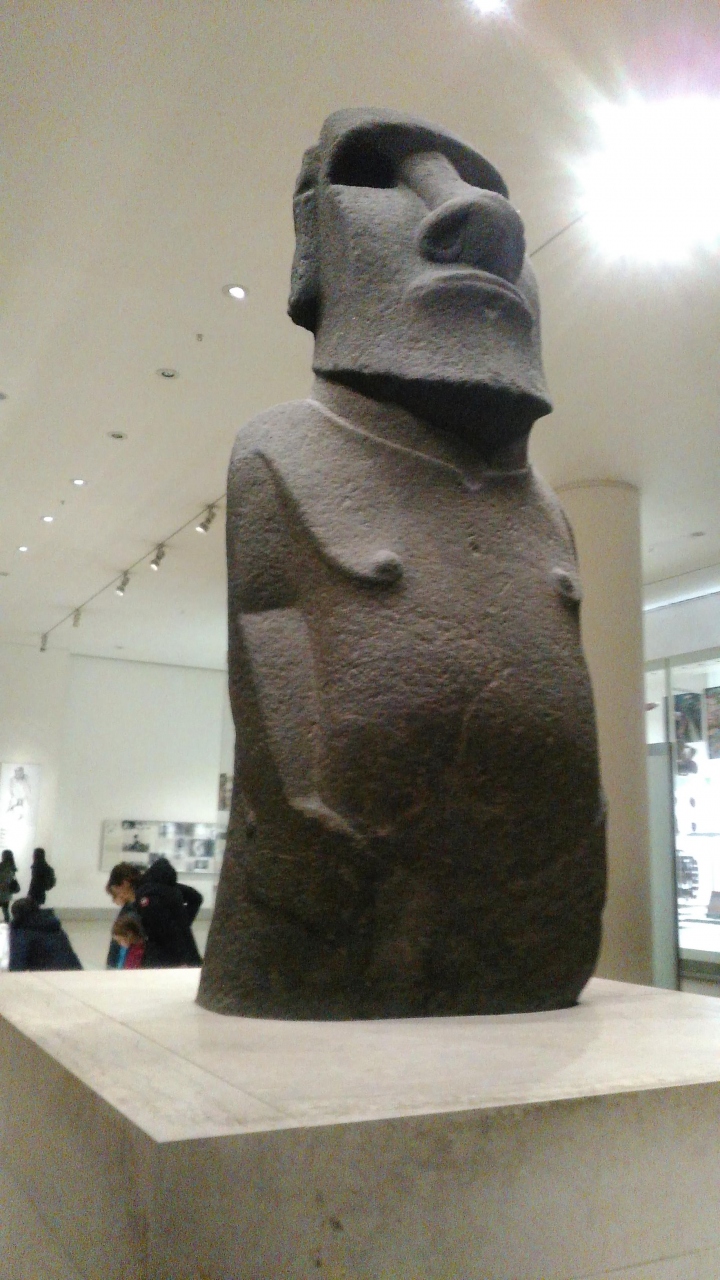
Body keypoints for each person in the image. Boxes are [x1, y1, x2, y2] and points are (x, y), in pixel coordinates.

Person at [9, 898, 82, 970]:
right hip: (74, 971)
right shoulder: (54, 926)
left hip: (46, 973)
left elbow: (18, 962)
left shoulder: (22, 932)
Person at [105, 861, 143, 968]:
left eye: (115, 892)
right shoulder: (130, 907)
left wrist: (111, 965)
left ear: (125, 884)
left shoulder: (134, 909)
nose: (115, 899)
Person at [0, 850, 20, 923]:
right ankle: (7, 924)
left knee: (5, 910)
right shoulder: (12, 867)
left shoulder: (2, 866)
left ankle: (6, 923)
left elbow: (3, 878)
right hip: (7, 893)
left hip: (1, 892)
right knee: (5, 910)